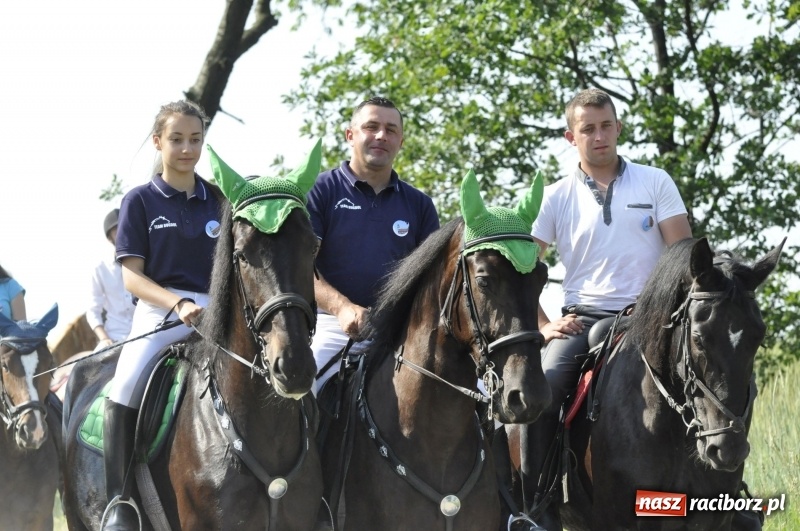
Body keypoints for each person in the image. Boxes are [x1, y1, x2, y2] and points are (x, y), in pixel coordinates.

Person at [523, 88, 692, 529]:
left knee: (716, 374)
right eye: (588, 129)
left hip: (654, 318)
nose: (600, 136)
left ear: (618, 128)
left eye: (606, 126)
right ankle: (532, 506)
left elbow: (683, 257)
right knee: (540, 391)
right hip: (585, 319)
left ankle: (729, 492)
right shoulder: (555, 196)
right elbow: (521, 271)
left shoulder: (656, 181)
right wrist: (543, 326)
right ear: (570, 136)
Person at [102, 100, 221, 530]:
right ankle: (120, 501)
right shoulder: (140, 201)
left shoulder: (220, 199)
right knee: (125, 384)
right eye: (177, 139)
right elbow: (132, 279)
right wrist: (178, 304)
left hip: (216, 311)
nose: (187, 148)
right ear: (158, 141)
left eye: (195, 139)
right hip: (159, 313)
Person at [308, 96, 440, 391]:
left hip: (401, 331)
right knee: (301, 390)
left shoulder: (420, 205)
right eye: (371, 127)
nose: (381, 135)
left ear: (401, 141)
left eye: (391, 130)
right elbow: (303, 266)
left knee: (478, 397)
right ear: (350, 135)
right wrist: (342, 308)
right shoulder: (319, 190)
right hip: (332, 325)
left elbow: (432, 281)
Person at [86, 208, 134, 352]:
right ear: (110, 238)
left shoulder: (149, 258)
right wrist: (104, 338)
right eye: (116, 230)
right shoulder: (99, 268)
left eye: (125, 227)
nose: (123, 233)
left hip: (149, 329)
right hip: (115, 336)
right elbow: (93, 309)